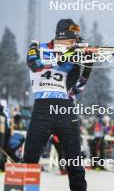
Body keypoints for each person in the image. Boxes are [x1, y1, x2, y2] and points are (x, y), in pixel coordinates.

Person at [23, 19, 93, 191]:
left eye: (75, 42)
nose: (73, 44)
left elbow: (75, 90)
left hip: (65, 109)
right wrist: (59, 60)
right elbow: (34, 65)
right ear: (62, 35)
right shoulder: (37, 47)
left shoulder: (73, 56)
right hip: (42, 110)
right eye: (71, 41)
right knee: (29, 162)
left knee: (75, 164)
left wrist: (87, 66)